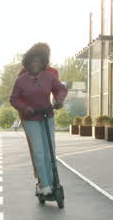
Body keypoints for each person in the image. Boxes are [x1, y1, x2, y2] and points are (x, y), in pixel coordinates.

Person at [9, 42, 68, 197]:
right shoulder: (21, 79)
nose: (35, 64)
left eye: (38, 61)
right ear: (28, 62)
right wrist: (24, 108)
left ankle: (53, 182)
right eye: (32, 61)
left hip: (47, 115)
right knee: (39, 152)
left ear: (43, 61)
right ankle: (44, 184)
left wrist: (59, 100)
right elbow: (14, 99)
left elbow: (60, 89)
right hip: (30, 118)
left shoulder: (49, 74)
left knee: (50, 151)